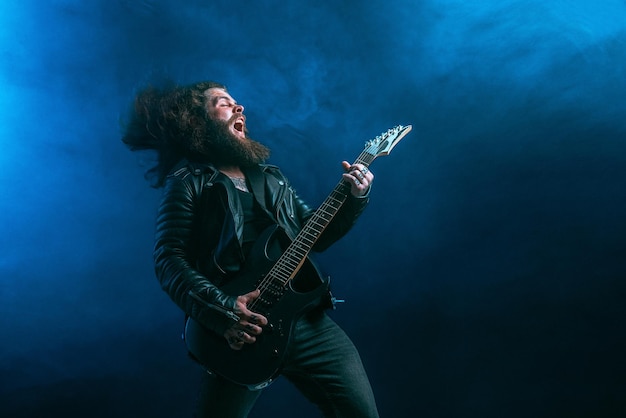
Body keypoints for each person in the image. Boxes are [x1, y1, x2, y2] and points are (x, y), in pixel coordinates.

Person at [122, 80, 379, 418]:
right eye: (223, 102)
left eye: (237, 102)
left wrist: (355, 197)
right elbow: (169, 258)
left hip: (305, 320)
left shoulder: (271, 177)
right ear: (198, 121)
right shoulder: (188, 181)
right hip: (240, 329)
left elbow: (313, 234)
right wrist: (224, 311)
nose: (239, 107)